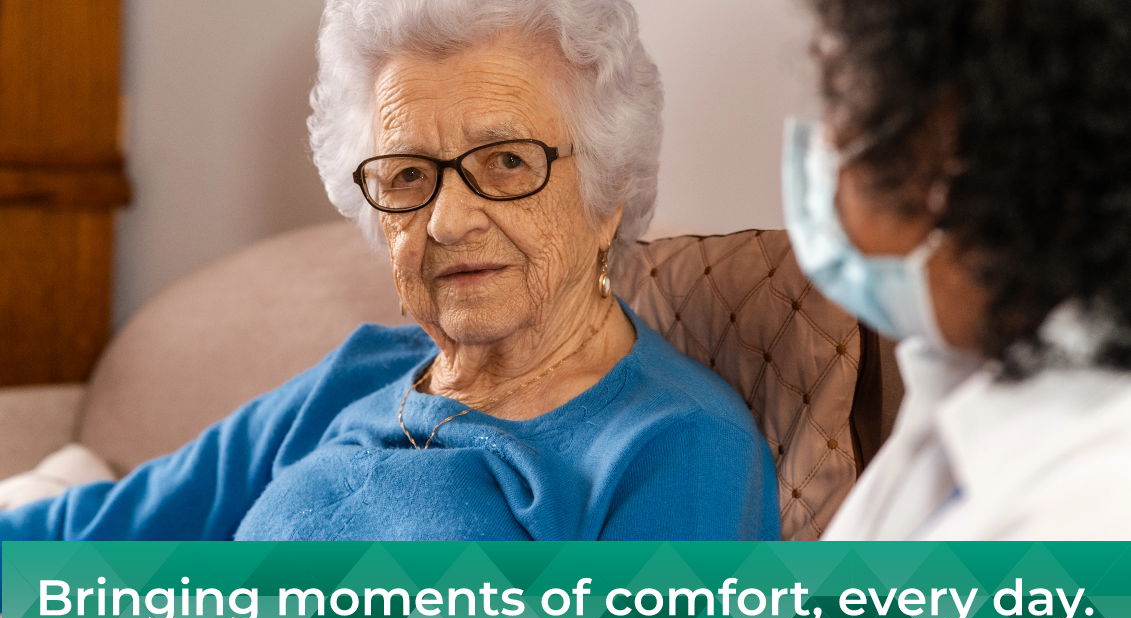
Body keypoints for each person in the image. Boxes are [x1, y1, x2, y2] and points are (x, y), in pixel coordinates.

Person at [0, 0, 779, 544]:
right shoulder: (357, 376)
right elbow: (82, 538)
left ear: (607, 195)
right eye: (408, 175)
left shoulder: (677, 445)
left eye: (506, 161)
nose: (447, 220)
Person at [783, 0, 1131, 539]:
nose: (825, 144)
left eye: (840, 101)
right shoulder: (962, 371)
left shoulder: (1095, 507)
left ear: (943, 142)